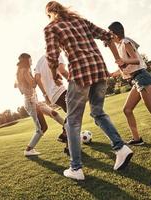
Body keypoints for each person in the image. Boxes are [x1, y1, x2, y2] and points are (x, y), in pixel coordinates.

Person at [44, 1, 133, 181]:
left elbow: (52, 57)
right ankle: (121, 148)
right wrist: (118, 60)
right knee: (98, 112)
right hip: (99, 71)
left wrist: (54, 75)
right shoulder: (81, 21)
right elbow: (107, 36)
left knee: (72, 123)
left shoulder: (51, 28)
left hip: (80, 74)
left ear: (49, 14)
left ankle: (75, 168)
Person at [15, 53, 65, 156]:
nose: (31, 61)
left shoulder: (20, 72)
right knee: (42, 128)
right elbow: (33, 84)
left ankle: (68, 130)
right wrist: (38, 75)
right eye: (30, 59)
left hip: (35, 101)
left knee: (54, 113)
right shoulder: (25, 71)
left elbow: (17, 84)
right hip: (31, 103)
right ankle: (28, 150)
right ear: (26, 60)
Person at [34, 54, 70, 155]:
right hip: (60, 90)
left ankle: (68, 144)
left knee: (71, 114)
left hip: (52, 95)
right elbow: (62, 71)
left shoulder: (39, 61)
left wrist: (45, 94)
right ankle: (65, 136)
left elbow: (37, 79)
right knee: (73, 114)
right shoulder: (57, 54)